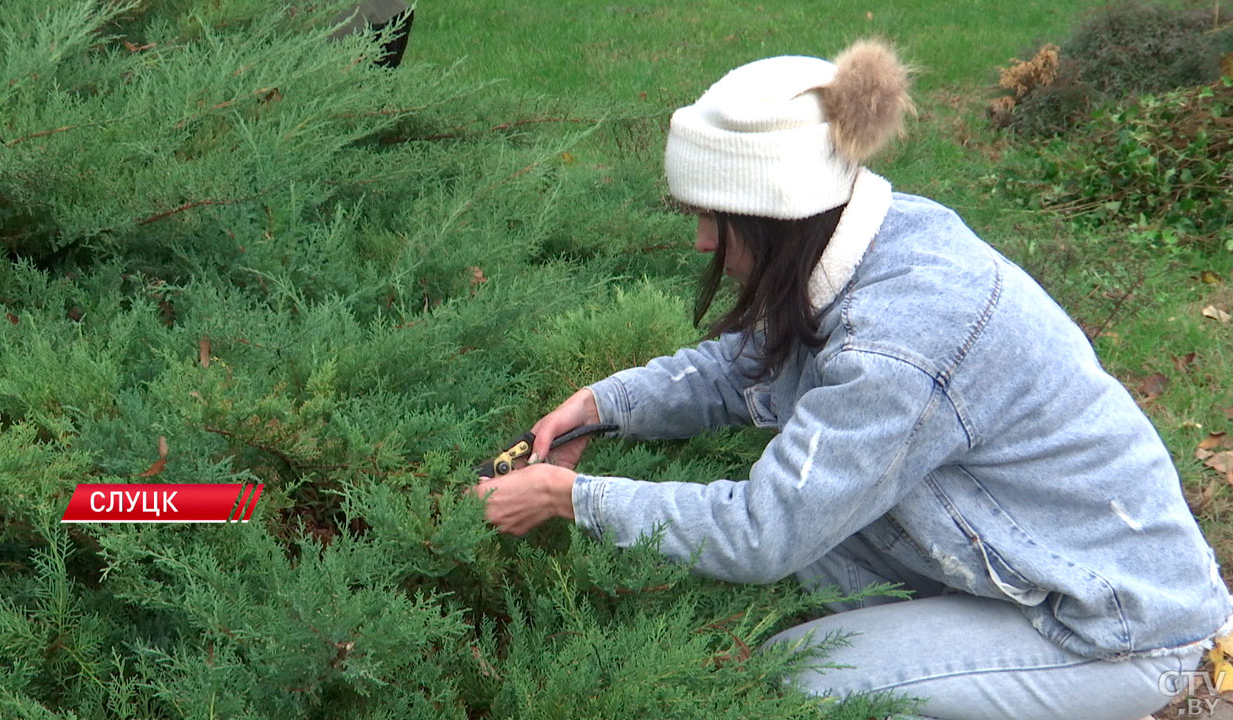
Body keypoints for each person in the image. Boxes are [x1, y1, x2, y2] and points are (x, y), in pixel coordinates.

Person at [473, 39, 1232, 720]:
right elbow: (751, 363)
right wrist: (605, 406)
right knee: (804, 558)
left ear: (774, 215)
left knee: (795, 676)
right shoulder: (868, 236)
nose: (701, 238)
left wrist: (569, 498)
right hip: (1034, 558)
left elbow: (760, 534)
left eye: (712, 215)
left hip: (1109, 627)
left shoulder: (902, 339)